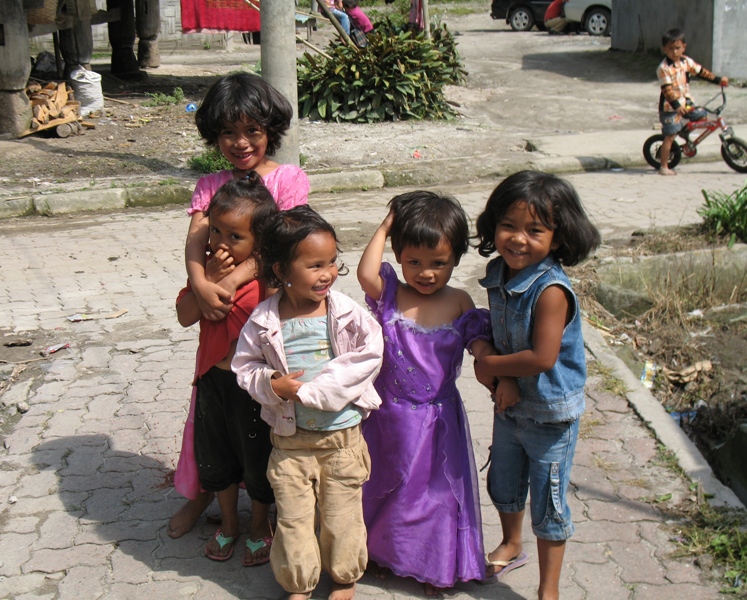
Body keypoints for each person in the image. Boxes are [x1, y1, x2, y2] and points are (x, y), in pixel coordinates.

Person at [167, 72, 309, 540]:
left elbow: (281, 247)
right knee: (213, 418)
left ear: (271, 129)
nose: (240, 142)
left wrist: (227, 278)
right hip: (216, 311)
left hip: (266, 308)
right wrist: (199, 283)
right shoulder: (209, 184)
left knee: (264, 417)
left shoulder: (288, 179)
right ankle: (205, 494)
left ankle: (271, 514)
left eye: (252, 130)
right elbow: (194, 241)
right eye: (228, 132)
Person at [231, 206, 384, 600]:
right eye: (315, 265)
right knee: (294, 520)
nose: (328, 273)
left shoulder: (347, 313)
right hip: (289, 442)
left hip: (342, 441)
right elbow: (244, 366)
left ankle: (345, 577)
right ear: (281, 270)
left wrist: (314, 391)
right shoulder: (264, 319)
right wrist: (272, 384)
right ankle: (299, 582)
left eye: (332, 262)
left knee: (341, 517)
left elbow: (369, 355)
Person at [357, 191, 493, 596]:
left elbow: (479, 346)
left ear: (455, 260)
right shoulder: (391, 294)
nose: (426, 273)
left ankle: (433, 564)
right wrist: (385, 226)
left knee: (435, 497)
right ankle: (382, 554)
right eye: (414, 262)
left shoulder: (460, 302)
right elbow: (365, 274)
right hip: (388, 419)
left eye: (439, 263)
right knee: (384, 489)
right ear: (399, 256)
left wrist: (497, 374)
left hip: (438, 424)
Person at [473, 171, 601, 600]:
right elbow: (501, 334)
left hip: (549, 413)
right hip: (510, 404)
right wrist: (501, 374)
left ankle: (549, 590)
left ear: (559, 238)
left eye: (535, 230)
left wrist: (488, 362)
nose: (518, 239)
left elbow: (542, 358)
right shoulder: (499, 273)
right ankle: (511, 542)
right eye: (508, 226)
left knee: (549, 504)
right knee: (504, 485)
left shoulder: (550, 290)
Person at [175, 174, 279, 564]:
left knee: (257, 458)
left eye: (235, 236)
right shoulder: (204, 272)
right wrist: (207, 282)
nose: (220, 242)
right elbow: (185, 316)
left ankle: (259, 526)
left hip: (251, 386)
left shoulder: (266, 281)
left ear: (259, 243)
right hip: (212, 381)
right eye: (216, 231)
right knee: (216, 459)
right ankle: (230, 524)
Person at [656, 28, 729, 176]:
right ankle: (664, 167)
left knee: (702, 115)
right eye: (670, 49)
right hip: (670, 107)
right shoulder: (663, 68)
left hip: (686, 103)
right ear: (664, 49)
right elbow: (667, 90)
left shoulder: (686, 61)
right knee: (669, 137)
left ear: (684, 47)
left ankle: (684, 131)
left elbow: (701, 72)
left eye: (678, 48)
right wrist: (676, 106)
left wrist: (718, 80)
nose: (674, 52)